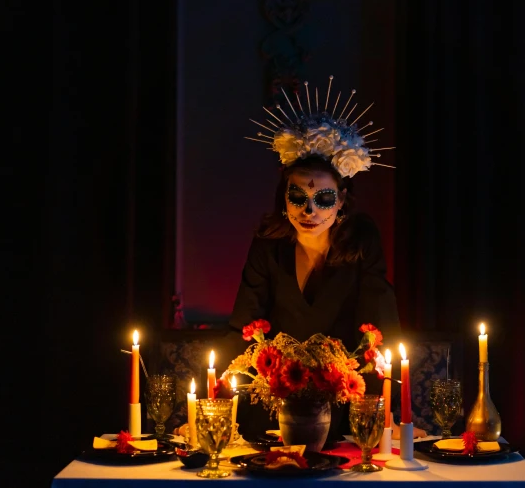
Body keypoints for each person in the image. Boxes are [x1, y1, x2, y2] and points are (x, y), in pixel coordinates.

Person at [180, 77, 426, 440]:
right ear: (284, 198)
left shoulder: (361, 241)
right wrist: (211, 407)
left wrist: (387, 416)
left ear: (342, 200)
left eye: (323, 199)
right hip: (272, 405)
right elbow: (241, 329)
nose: (309, 210)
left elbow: (381, 329)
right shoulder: (268, 243)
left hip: (345, 404)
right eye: (299, 197)